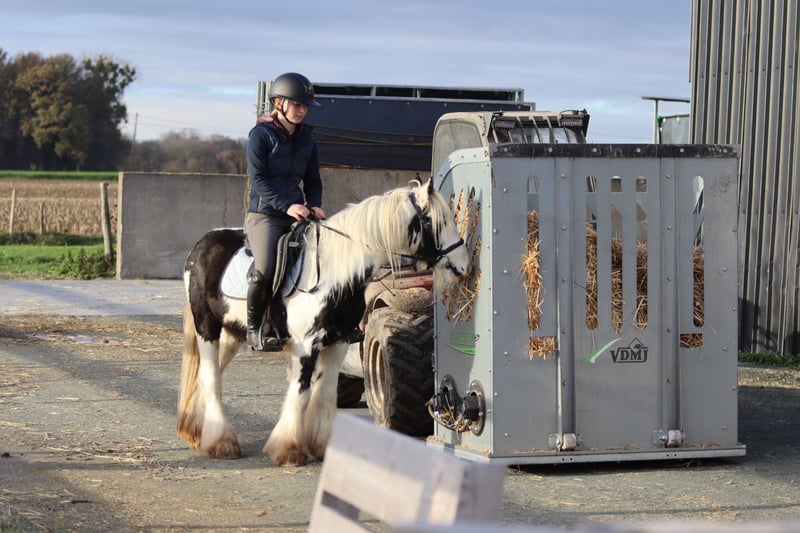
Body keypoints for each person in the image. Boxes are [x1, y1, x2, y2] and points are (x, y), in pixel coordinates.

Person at [245, 72, 325, 350]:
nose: (302, 111)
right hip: (265, 214)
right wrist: (287, 206)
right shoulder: (260, 135)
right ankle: (254, 329)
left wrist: (315, 203)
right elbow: (259, 180)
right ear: (278, 103)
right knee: (265, 269)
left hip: (299, 212)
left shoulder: (307, 139)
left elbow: (313, 179)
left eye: (305, 106)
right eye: (297, 104)